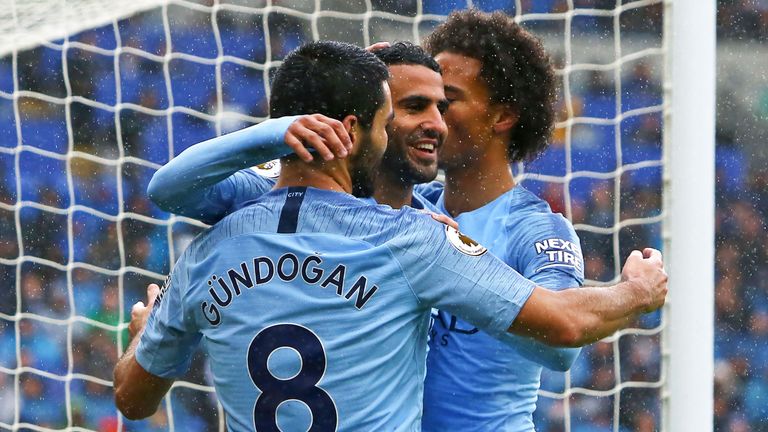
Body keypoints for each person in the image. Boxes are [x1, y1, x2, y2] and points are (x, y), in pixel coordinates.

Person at [114, 40, 668, 430]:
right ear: (355, 130)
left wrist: (146, 332)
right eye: (400, 111)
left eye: (443, 105)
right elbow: (565, 325)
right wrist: (637, 292)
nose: (434, 123)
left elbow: (132, 398)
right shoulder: (414, 239)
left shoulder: (210, 250)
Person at [418, 10, 582, 431]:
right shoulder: (408, 207)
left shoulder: (537, 229)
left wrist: (454, 278)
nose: (431, 118)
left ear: (502, 117)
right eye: (424, 101)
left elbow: (560, 348)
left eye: (448, 101)